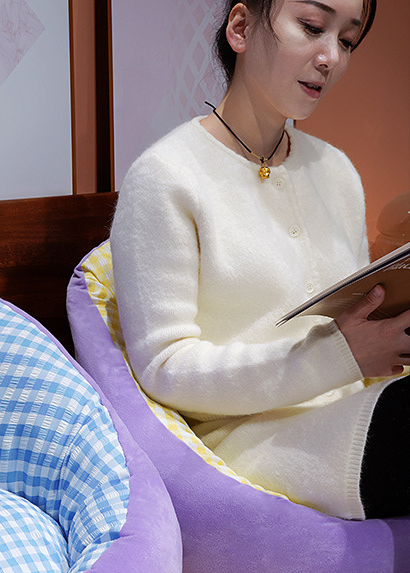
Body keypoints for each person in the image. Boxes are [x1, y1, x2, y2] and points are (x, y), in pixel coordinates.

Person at [110, 0, 410, 520]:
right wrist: (338, 355)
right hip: (251, 440)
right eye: (312, 27)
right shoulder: (164, 178)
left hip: (357, 408)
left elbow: (360, 316)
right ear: (241, 27)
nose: (331, 58)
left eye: (346, 40)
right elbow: (165, 368)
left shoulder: (336, 171)